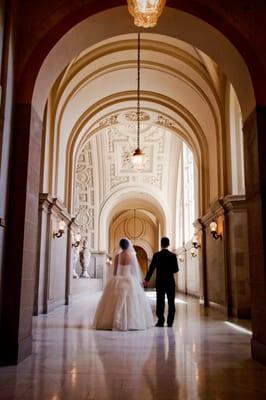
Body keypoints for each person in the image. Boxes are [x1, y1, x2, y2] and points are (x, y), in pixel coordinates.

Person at [93, 238, 154, 331]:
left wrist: (115, 277)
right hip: (129, 279)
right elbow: (134, 271)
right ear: (129, 246)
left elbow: (114, 271)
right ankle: (131, 322)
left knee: (114, 300)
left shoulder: (117, 256)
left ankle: (113, 321)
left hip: (118, 279)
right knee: (132, 301)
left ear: (120, 246)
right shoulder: (131, 256)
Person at [144, 237, 179, 327]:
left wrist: (147, 279)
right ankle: (170, 322)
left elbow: (151, 268)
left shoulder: (157, 255)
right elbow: (176, 269)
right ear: (169, 244)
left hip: (160, 281)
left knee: (160, 301)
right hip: (170, 281)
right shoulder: (173, 255)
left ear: (161, 244)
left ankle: (160, 321)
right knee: (171, 302)